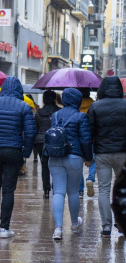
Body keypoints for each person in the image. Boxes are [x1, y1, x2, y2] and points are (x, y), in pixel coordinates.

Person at [0, 77, 36, 238]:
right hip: (14, 150)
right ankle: (5, 228)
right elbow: (30, 132)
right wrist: (26, 153)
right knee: (9, 189)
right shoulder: (24, 107)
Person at [48, 88, 93, 240]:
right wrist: (88, 158)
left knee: (58, 191)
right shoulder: (81, 116)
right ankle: (74, 223)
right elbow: (85, 139)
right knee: (73, 192)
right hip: (74, 156)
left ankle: (58, 229)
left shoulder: (55, 115)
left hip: (55, 156)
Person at [87, 76, 126, 238]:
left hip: (102, 152)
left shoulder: (95, 106)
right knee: (122, 189)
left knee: (103, 188)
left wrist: (88, 155)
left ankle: (107, 226)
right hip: (123, 154)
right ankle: (121, 222)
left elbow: (90, 133)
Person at [34, 90, 60, 198]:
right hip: (56, 141)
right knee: (57, 165)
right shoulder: (59, 111)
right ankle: (56, 187)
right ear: (55, 99)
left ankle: (46, 190)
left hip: (41, 141)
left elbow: (36, 128)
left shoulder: (39, 113)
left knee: (44, 166)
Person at [78, 88, 95, 198]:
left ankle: (80, 190)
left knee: (78, 164)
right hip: (92, 137)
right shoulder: (93, 104)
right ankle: (90, 178)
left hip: (79, 137)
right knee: (93, 160)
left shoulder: (77, 105)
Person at [27, 94, 40, 162]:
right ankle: (35, 156)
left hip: (32, 125)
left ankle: (34, 156)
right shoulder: (36, 106)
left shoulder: (27, 106)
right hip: (35, 125)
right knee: (35, 142)